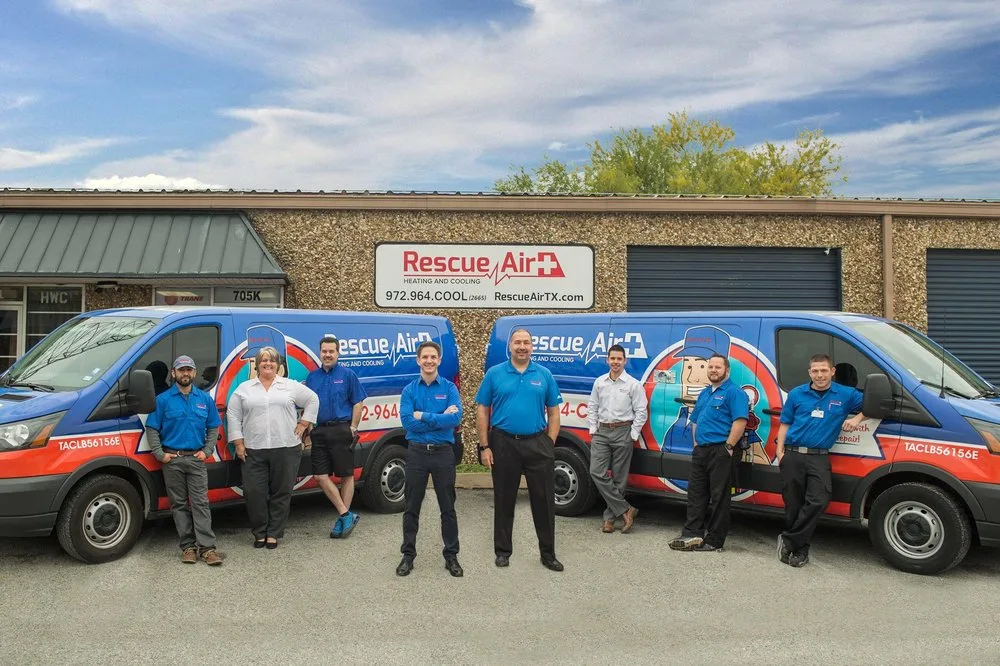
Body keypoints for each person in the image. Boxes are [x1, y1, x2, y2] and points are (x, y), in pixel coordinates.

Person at [475, 328, 564, 572]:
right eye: (517, 342)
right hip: (503, 443)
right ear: (510, 347)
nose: (522, 347)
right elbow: (482, 409)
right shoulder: (494, 374)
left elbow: (554, 411)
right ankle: (502, 552)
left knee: (544, 502)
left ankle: (548, 554)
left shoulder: (544, 374)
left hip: (537, 443)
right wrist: (485, 446)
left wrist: (549, 443)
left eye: (526, 342)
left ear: (532, 346)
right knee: (504, 499)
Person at [776, 354, 866, 567]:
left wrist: (858, 418)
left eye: (824, 370)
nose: (820, 375)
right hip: (792, 454)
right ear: (809, 373)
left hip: (819, 457)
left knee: (819, 500)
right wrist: (780, 453)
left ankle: (788, 540)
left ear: (832, 372)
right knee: (793, 504)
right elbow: (785, 423)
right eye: (815, 371)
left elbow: (875, 404)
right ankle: (800, 551)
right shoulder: (797, 394)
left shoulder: (846, 394)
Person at [227, 345, 319, 549]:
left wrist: (304, 423)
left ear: (278, 365)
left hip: (286, 448)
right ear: (257, 364)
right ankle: (260, 532)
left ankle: (274, 534)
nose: (267, 363)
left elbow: (312, 399)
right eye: (263, 360)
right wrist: (239, 443)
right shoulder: (244, 389)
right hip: (253, 450)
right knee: (254, 493)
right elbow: (233, 415)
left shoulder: (289, 386)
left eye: (272, 360)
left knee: (281, 492)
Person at [146, 355, 224, 565]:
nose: (185, 373)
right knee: (178, 505)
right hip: (173, 461)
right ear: (174, 373)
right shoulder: (163, 400)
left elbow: (213, 426)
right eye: (181, 370)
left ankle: (207, 549)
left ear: (194, 373)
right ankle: (188, 547)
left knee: (201, 504)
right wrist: (160, 454)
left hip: (196, 459)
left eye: (189, 369)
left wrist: (207, 450)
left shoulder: (204, 399)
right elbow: (152, 428)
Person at [396, 341, 463, 577]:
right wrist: (439, 417)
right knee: (411, 507)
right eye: (425, 357)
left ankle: (451, 556)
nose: (429, 361)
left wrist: (423, 415)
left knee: (448, 507)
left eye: (433, 357)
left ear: (439, 360)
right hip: (416, 453)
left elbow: (455, 420)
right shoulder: (409, 390)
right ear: (418, 360)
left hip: (443, 453)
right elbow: (408, 422)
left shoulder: (449, 388)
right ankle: (408, 555)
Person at [668, 354, 748, 552]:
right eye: (711, 367)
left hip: (721, 450)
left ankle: (714, 540)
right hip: (701, 450)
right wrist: (696, 444)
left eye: (717, 367)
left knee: (719, 497)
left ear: (727, 370)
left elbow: (740, 421)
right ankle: (692, 534)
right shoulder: (705, 392)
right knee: (696, 493)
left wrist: (728, 447)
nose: (713, 370)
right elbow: (695, 420)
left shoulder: (734, 393)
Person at [304, 335, 367, 538]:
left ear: (338, 353)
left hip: (341, 429)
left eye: (331, 351)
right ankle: (345, 514)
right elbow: (308, 405)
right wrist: (309, 430)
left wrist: (353, 427)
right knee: (320, 476)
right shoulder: (312, 377)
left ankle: (343, 520)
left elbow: (358, 402)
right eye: (324, 351)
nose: (328, 354)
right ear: (320, 353)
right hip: (320, 431)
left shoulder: (348, 375)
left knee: (346, 475)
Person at [587, 343, 647, 534]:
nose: (615, 362)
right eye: (612, 358)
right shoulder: (600, 382)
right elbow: (592, 406)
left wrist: (633, 434)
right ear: (607, 360)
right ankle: (626, 509)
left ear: (624, 361)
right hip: (602, 431)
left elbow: (641, 411)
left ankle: (609, 519)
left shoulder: (633, 384)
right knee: (596, 472)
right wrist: (593, 428)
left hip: (623, 431)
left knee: (620, 478)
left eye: (619, 359)